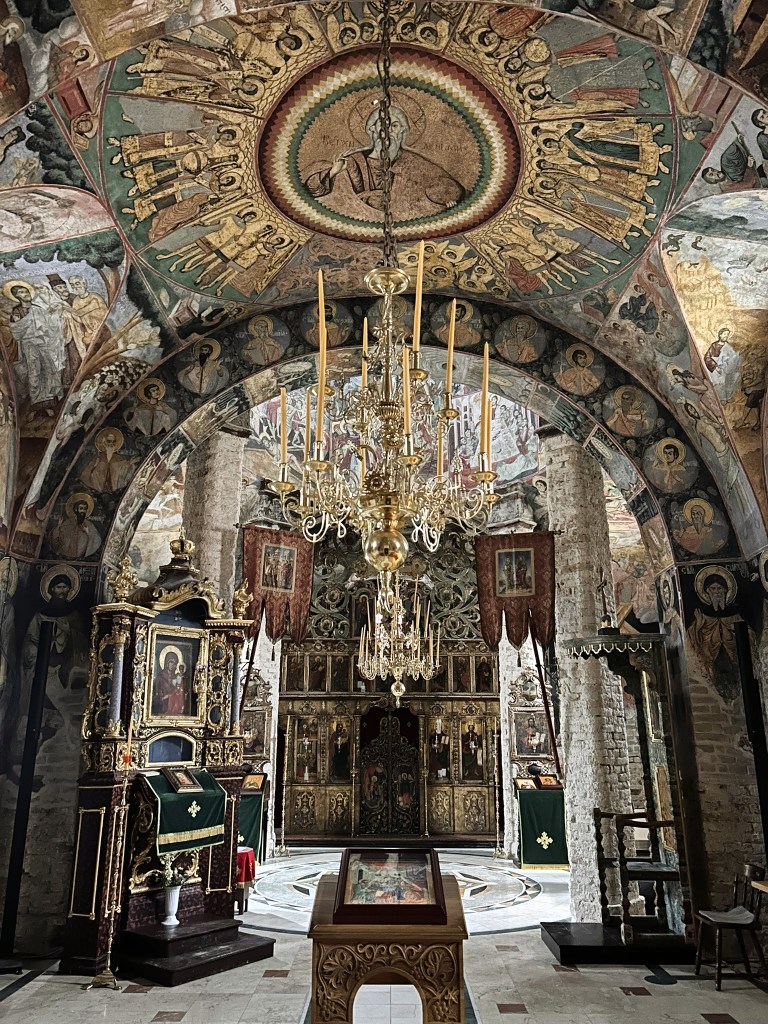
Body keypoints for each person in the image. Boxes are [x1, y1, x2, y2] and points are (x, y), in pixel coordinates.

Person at [303, 103, 467, 218]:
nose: (387, 131)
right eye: (382, 124)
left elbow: (447, 186)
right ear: (372, 130)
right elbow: (313, 190)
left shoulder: (413, 162)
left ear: (402, 132)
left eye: (394, 126)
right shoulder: (354, 161)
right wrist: (333, 172)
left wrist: (446, 199)